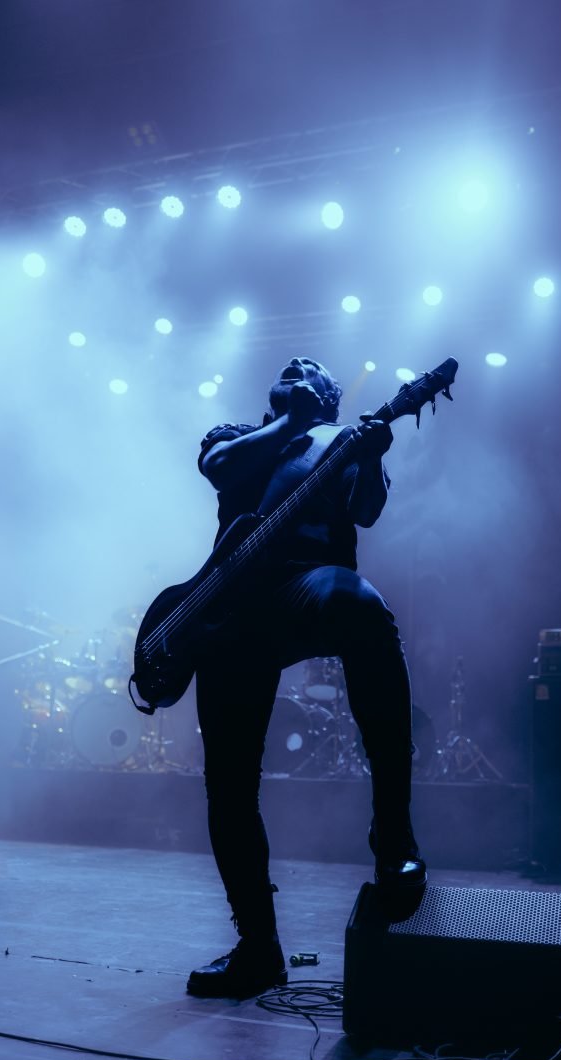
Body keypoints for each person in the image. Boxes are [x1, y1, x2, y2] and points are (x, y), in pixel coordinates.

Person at [187, 357, 426, 999]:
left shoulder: (342, 439)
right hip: (232, 606)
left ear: (329, 397)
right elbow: (220, 467)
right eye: (288, 365)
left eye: (311, 369)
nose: (296, 364)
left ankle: (392, 830)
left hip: (305, 582)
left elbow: (367, 511)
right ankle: (257, 949)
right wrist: (291, 422)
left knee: (363, 608)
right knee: (228, 784)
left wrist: (371, 457)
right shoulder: (237, 434)